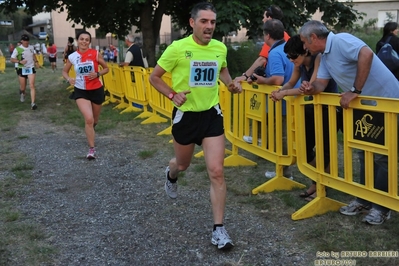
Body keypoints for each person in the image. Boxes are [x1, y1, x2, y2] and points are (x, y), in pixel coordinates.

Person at [149, 2, 242, 250]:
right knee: (183, 164)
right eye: (204, 21)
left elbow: (223, 70)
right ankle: (171, 174)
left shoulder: (220, 48)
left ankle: (219, 230)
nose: (209, 26)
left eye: (212, 22)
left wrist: (231, 85)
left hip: (212, 114)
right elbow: (154, 77)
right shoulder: (178, 48)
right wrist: (172, 95)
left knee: (217, 171)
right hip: (186, 116)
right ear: (193, 23)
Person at [299, 20, 399, 225]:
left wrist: (355, 91)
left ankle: (382, 207)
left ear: (314, 38)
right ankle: (364, 199)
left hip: (386, 102)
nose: (304, 47)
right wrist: (311, 88)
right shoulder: (325, 56)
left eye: (304, 42)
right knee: (363, 153)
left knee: (381, 156)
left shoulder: (341, 40)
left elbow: (367, 54)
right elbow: (321, 83)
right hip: (367, 107)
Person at [270, 35, 340, 201]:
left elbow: (310, 88)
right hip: (311, 108)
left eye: (293, 56)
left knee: (324, 149)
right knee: (305, 149)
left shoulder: (318, 59)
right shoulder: (299, 64)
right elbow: (290, 83)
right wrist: (279, 91)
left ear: (305, 52)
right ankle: (320, 180)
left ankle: (320, 186)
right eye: (288, 57)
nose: (291, 60)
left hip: (328, 109)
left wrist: (285, 93)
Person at [249, 19, 298, 179]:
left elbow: (277, 79)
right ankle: (284, 169)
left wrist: (262, 81)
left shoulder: (275, 53)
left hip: (281, 102)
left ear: (267, 35)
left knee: (280, 136)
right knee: (285, 136)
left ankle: (284, 173)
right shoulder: (288, 48)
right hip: (292, 99)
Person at [62, 31, 109, 159]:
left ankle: (90, 130)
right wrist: (69, 79)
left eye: (86, 39)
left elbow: (106, 68)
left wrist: (98, 74)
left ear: (89, 42)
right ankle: (91, 149)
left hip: (96, 89)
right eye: (81, 39)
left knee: (94, 120)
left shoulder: (95, 54)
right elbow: (65, 71)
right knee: (88, 119)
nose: (84, 41)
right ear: (78, 40)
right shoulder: (72, 56)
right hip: (80, 90)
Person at [236, 5, 290, 84]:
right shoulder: (285, 36)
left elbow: (262, 59)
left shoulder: (273, 39)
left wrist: (245, 76)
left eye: (264, 17)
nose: (263, 19)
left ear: (269, 18)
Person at [10, 34, 40, 110]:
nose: (26, 42)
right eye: (25, 41)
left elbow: (33, 54)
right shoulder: (17, 49)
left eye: (27, 41)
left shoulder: (31, 47)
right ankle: (22, 93)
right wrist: (19, 61)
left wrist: (36, 62)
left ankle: (33, 103)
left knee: (32, 85)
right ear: (22, 41)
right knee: (23, 87)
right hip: (21, 68)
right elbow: (12, 59)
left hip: (31, 68)